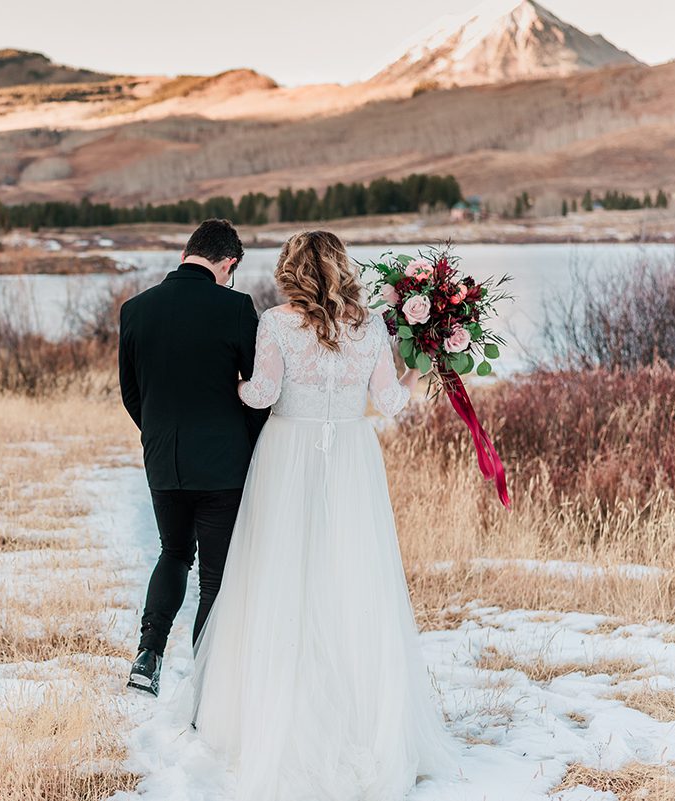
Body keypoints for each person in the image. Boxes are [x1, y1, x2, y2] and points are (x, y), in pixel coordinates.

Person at [189, 230, 457, 800]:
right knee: (351, 579)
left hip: (288, 455)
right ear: (341, 267)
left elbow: (262, 395)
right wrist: (418, 367)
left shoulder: (276, 323)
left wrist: (232, 386)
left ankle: (269, 712)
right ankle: (360, 719)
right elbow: (388, 403)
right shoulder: (370, 327)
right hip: (353, 460)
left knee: (283, 575)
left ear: (291, 269)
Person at [118, 218, 269, 696]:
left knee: (174, 553)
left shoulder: (136, 309)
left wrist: (161, 434)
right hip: (224, 464)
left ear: (187, 253)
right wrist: (243, 441)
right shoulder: (237, 307)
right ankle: (205, 680)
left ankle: (149, 655)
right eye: (232, 272)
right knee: (215, 577)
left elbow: (131, 393)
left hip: (164, 459)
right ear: (230, 263)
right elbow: (259, 392)